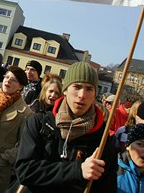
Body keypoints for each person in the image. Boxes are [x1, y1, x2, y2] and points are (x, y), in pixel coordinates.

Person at [15, 62, 117, 193]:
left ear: (94, 95)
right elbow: (25, 171)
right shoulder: (39, 122)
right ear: (65, 90)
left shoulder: (102, 138)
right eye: (77, 87)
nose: (82, 95)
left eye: (89, 89)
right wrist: (77, 171)